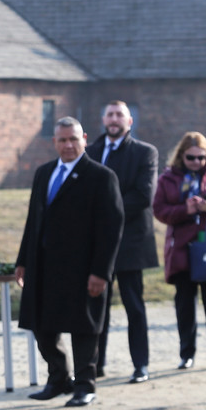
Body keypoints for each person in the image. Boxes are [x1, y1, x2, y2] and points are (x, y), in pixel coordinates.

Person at [18, 117, 124, 407]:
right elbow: (34, 220)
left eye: (73, 139)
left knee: (83, 327)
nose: (68, 145)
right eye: (62, 140)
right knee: (42, 324)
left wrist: (101, 272)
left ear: (85, 139)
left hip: (83, 268)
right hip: (44, 267)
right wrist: (23, 260)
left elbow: (111, 228)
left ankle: (85, 385)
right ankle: (58, 379)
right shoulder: (44, 173)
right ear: (54, 142)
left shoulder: (101, 177)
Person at [85, 101, 158, 384]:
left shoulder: (144, 152)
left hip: (130, 243)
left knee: (133, 306)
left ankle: (141, 364)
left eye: (120, 115)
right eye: (110, 115)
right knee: (96, 305)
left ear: (129, 121)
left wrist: (105, 210)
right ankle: (95, 364)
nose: (114, 120)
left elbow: (143, 196)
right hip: (96, 244)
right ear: (103, 119)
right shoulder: (89, 153)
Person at [152, 132, 206, 370]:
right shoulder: (168, 178)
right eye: (191, 158)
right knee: (185, 304)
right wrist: (184, 209)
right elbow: (159, 210)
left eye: (201, 157)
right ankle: (187, 353)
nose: (197, 162)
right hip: (182, 247)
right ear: (181, 156)